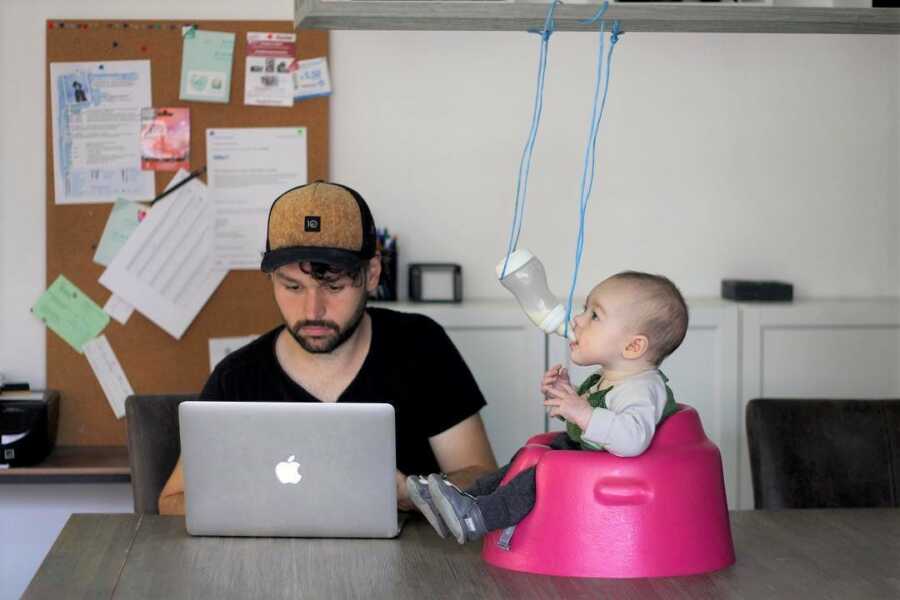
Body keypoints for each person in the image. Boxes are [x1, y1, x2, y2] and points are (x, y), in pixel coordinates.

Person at [158, 181, 497, 515]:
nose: (312, 311)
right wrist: (265, 504)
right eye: (292, 286)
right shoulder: (237, 378)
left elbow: (483, 477)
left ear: (373, 273)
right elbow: (172, 500)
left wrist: (415, 492)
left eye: (333, 286)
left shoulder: (421, 347)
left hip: (411, 566)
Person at [407, 271, 688, 544]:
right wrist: (568, 395)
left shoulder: (643, 388)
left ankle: (477, 517)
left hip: (617, 474)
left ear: (633, 346)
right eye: (584, 309)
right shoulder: (613, 377)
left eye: (594, 315)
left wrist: (582, 412)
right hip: (590, 460)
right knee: (528, 455)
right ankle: (462, 495)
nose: (577, 319)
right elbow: (601, 418)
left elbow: (631, 440)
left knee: (541, 475)